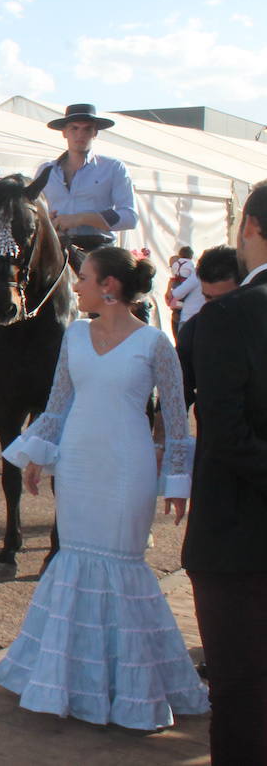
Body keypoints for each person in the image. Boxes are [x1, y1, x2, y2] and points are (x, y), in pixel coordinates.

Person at [0, 246, 207, 730]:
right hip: (78, 465)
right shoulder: (74, 335)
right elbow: (58, 402)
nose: (75, 286)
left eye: (83, 278)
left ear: (109, 287)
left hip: (128, 469)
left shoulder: (155, 344)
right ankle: (64, 682)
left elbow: (176, 419)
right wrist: (37, 457)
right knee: (74, 560)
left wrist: (177, 480)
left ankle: (129, 689)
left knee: (122, 567)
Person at [184, 182, 267, 762]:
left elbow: (228, 436)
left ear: (250, 228)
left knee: (240, 696)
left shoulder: (227, 317)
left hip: (241, 541)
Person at [38, 104, 138, 253]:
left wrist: (82, 218)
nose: (80, 134)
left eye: (87, 129)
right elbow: (33, 210)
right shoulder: (46, 170)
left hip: (99, 248)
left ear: (95, 133)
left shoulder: (113, 168)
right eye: (74, 128)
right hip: (54, 248)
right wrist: (45, 218)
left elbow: (129, 217)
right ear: (64, 132)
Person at [175, 245, 239, 409]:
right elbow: (180, 388)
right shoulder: (193, 331)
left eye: (223, 299)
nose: (213, 306)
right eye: (208, 297)